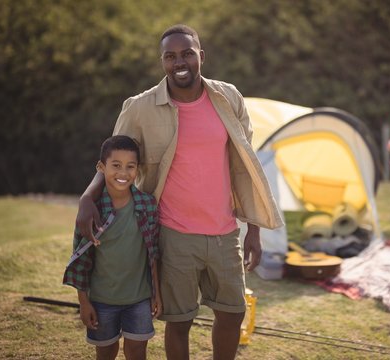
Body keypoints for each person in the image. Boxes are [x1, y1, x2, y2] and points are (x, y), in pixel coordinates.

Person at [75, 24, 284, 360]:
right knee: (179, 321)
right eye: (170, 56)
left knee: (233, 313)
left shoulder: (229, 97)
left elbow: (245, 167)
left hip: (224, 232)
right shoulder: (140, 107)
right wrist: (87, 199)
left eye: (187, 53)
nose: (179, 62)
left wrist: (254, 230)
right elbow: (112, 160)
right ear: (162, 62)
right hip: (173, 234)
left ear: (201, 55)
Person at [63, 135, 162, 360]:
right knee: (106, 351)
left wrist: (156, 294)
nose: (123, 173)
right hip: (101, 301)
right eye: (116, 165)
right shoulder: (91, 212)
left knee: (137, 351)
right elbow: (80, 258)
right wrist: (84, 302)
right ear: (101, 167)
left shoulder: (147, 205)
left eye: (130, 166)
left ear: (138, 169)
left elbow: (153, 253)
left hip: (139, 299)